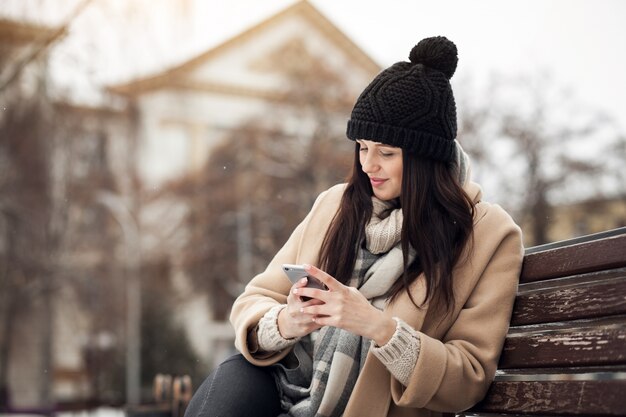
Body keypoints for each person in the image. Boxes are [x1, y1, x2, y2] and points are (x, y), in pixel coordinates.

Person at [185, 36, 524, 417]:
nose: (368, 165)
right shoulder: (335, 205)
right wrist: (287, 320)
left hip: (370, 407)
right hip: (286, 388)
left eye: (386, 152)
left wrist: (379, 328)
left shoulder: (488, 235)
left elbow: (469, 378)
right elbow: (256, 298)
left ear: (425, 158)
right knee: (233, 381)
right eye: (363, 147)